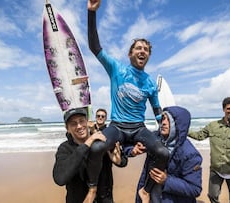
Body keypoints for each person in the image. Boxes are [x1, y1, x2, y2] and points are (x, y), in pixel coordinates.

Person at [85, 0, 169, 202]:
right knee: (96, 149)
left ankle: (146, 190)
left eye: (146, 50)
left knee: (163, 152)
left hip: (139, 128)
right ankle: (93, 188)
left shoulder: (149, 83)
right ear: (130, 53)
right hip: (118, 127)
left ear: (148, 56)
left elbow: (156, 109)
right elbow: (94, 47)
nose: (142, 51)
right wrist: (92, 14)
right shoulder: (116, 68)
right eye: (138, 48)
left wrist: (163, 123)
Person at [52, 107, 127, 203]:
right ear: (68, 129)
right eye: (73, 124)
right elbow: (60, 179)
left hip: (104, 199)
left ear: (87, 122)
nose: (79, 126)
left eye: (81, 121)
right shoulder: (65, 148)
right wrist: (87, 143)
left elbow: (124, 161)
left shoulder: (100, 141)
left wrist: (119, 161)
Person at [188, 97, 230, 203]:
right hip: (216, 169)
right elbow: (199, 136)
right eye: (229, 108)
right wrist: (183, 128)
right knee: (212, 195)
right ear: (224, 109)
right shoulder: (213, 125)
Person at [136, 106, 203, 203]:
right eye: (163, 118)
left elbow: (195, 189)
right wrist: (133, 149)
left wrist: (167, 181)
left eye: (169, 120)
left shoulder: (190, 154)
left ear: (178, 125)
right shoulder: (155, 139)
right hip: (149, 197)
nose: (163, 122)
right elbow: (132, 139)